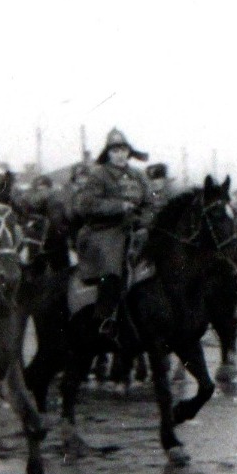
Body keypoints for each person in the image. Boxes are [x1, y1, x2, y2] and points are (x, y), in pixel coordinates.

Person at [73, 128, 152, 338]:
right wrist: (119, 206)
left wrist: (144, 222)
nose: (120, 155)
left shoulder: (138, 175)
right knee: (113, 266)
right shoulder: (98, 175)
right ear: (108, 153)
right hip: (104, 231)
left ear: (128, 152)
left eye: (123, 150)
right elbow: (87, 204)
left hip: (135, 229)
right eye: (115, 151)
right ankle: (104, 317)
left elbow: (150, 203)